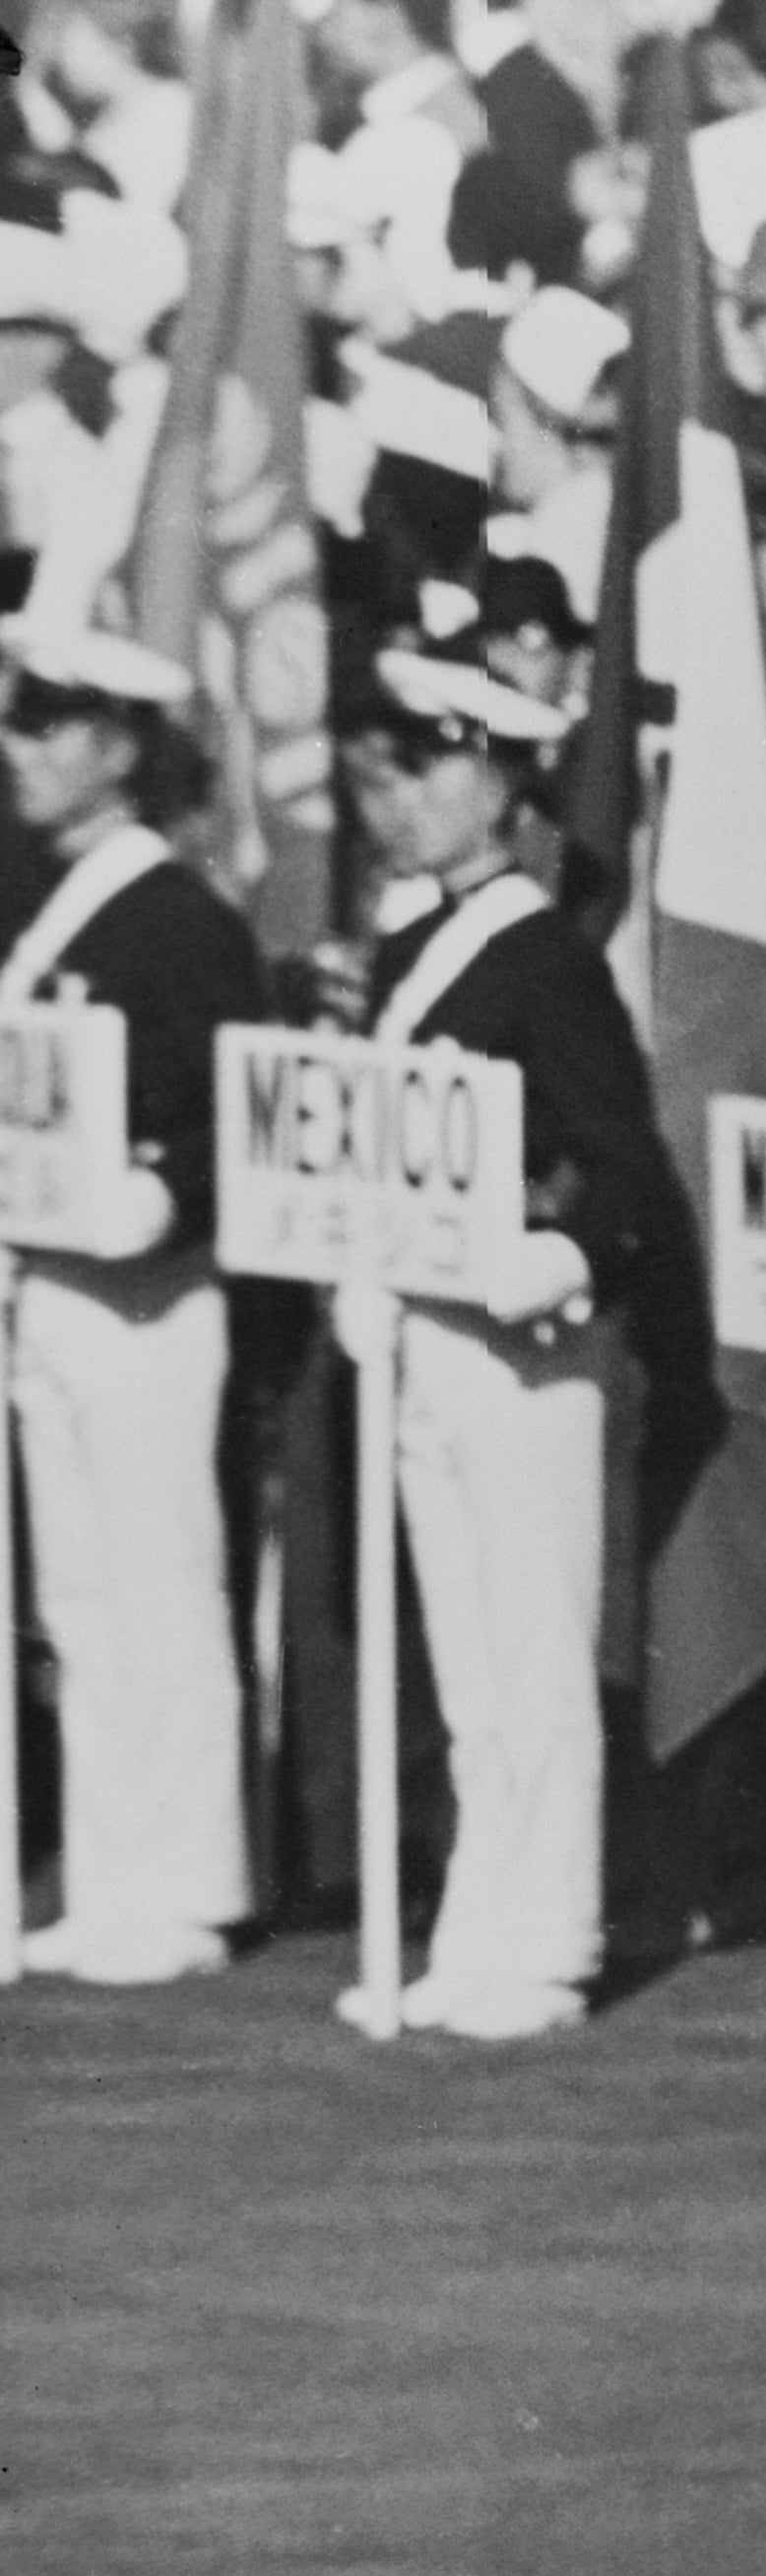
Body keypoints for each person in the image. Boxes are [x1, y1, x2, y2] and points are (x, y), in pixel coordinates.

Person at [341, 646, 694, 2041]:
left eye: (431, 769)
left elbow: (628, 1176)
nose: (403, 797)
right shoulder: (411, 943)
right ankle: (477, 1921)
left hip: (521, 1338)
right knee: (468, 1656)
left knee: (537, 1646)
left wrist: (538, 1257)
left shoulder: (542, 956)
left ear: (499, 783)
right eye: (397, 768)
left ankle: (548, 1936)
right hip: (421, 1332)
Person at [0, 623, 266, 1985]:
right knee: (84, 1598)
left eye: (51, 728)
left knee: (161, 1587)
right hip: (47, 1284)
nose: (22, 752)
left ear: (120, 749)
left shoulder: (177, 919)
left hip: (147, 1296)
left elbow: (228, 1105)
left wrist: (158, 1198)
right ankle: (114, 1873)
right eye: (21, 724)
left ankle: (190, 1880)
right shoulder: (44, 904)